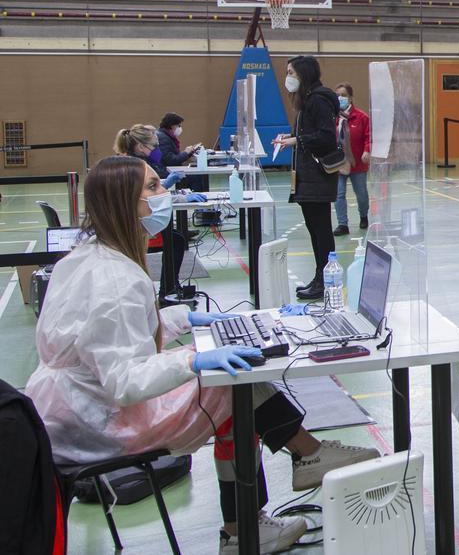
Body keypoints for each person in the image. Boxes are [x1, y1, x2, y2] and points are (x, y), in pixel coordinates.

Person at [23, 155, 379, 555]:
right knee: (231, 386)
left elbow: (107, 335)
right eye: (154, 187)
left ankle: (264, 502)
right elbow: (124, 381)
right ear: (127, 203)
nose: (165, 194)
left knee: (230, 387)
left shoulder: (88, 256)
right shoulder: (115, 281)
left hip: (70, 409)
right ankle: (289, 473)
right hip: (97, 426)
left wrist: (186, 318)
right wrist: (190, 360)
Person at [273, 55, 339, 301]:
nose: (288, 77)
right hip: (307, 177)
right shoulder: (307, 101)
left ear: (303, 73)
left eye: (291, 72)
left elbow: (326, 136)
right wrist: (290, 138)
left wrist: (296, 140)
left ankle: (325, 280)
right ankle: (320, 276)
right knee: (315, 230)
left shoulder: (318, 100)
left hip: (317, 177)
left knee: (321, 231)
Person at [114, 124, 189, 301]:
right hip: (130, 226)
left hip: (128, 223)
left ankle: (170, 288)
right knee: (175, 240)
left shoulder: (133, 163)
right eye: (154, 146)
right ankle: (167, 291)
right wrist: (179, 195)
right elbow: (147, 198)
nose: (157, 150)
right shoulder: (136, 168)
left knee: (176, 238)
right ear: (141, 147)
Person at [332, 82, 371, 236]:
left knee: (361, 194)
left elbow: (369, 137)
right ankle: (343, 224)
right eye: (337, 95)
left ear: (350, 98)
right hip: (338, 164)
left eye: (343, 95)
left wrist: (367, 151)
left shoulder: (362, 117)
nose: (339, 98)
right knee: (338, 194)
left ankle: (363, 215)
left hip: (358, 164)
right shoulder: (332, 117)